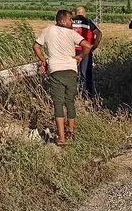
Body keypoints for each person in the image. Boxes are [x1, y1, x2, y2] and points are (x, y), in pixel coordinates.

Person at [33, 10, 92, 146]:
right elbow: (87, 46)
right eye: (70, 20)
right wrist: (80, 57)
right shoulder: (72, 34)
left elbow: (36, 46)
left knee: (58, 104)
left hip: (55, 71)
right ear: (62, 21)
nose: (72, 22)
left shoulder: (48, 30)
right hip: (71, 70)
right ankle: (71, 132)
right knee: (70, 102)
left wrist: (44, 60)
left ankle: (61, 138)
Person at [72, 5, 102, 97]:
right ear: (84, 13)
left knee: (73, 72)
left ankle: (74, 93)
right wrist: (94, 46)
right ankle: (87, 95)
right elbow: (99, 34)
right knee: (86, 73)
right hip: (86, 50)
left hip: (72, 50)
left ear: (76, 12)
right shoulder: (88, 22)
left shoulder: (71, 22)